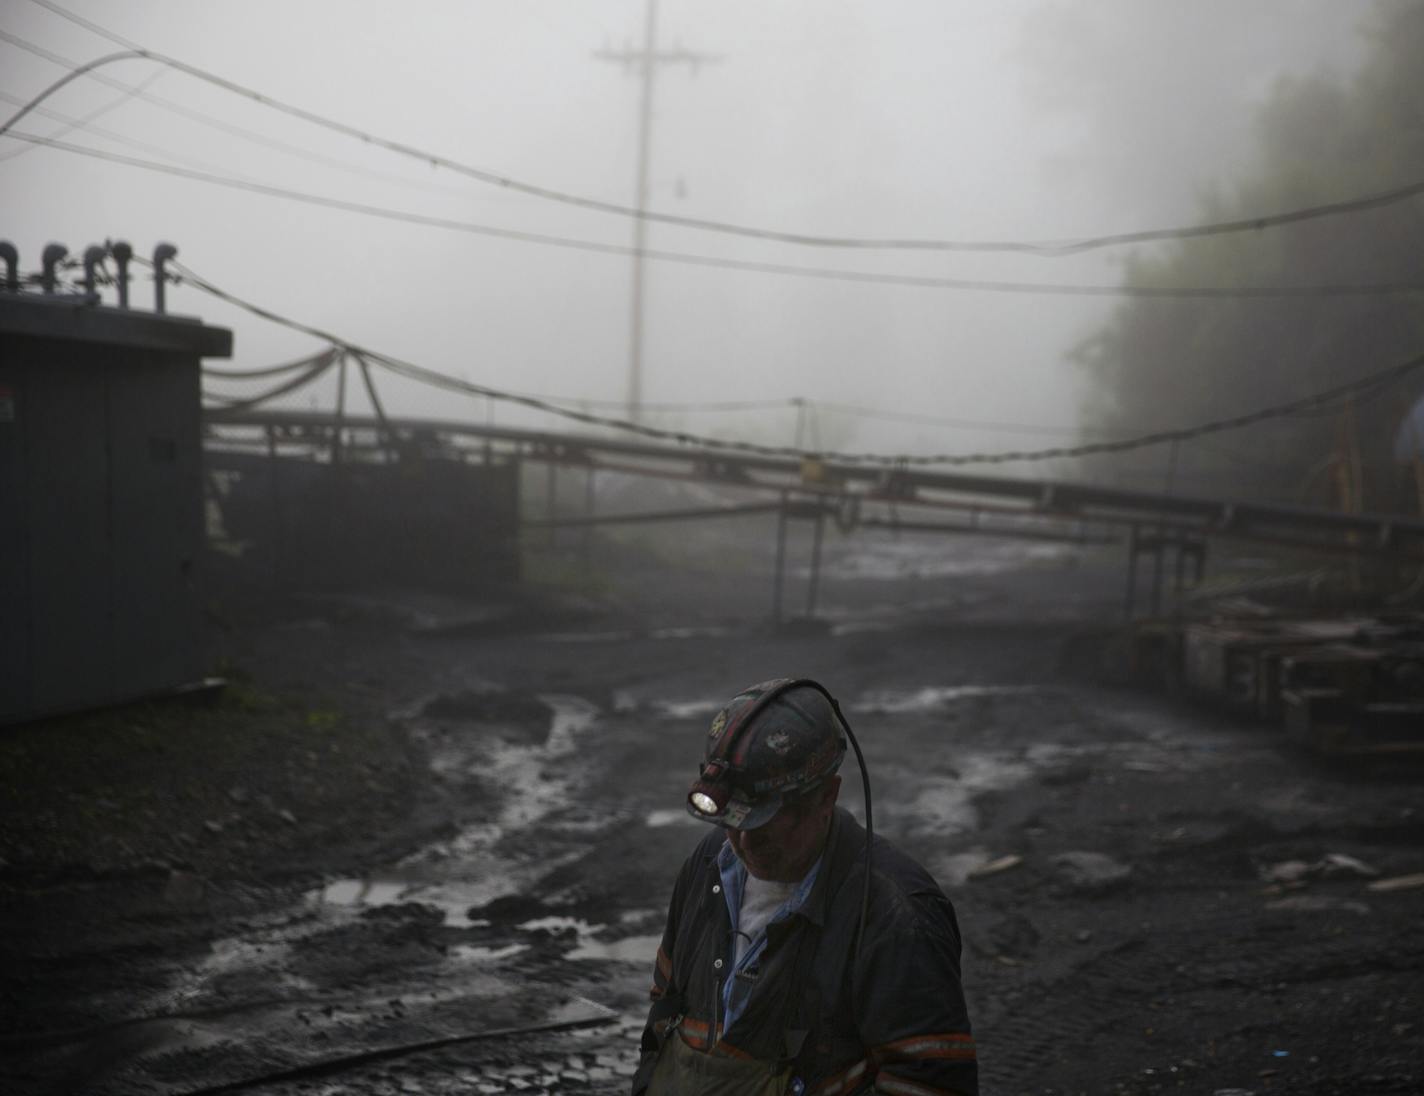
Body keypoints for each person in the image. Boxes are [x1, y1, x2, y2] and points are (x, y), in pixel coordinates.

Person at [633, 677, 977, 1096]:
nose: (741, 843)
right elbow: (665, 1003)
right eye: (732, 821)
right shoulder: (708, 866)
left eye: (762, 824)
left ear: (826, 797)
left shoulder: (897, 916)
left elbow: (929, 1085)